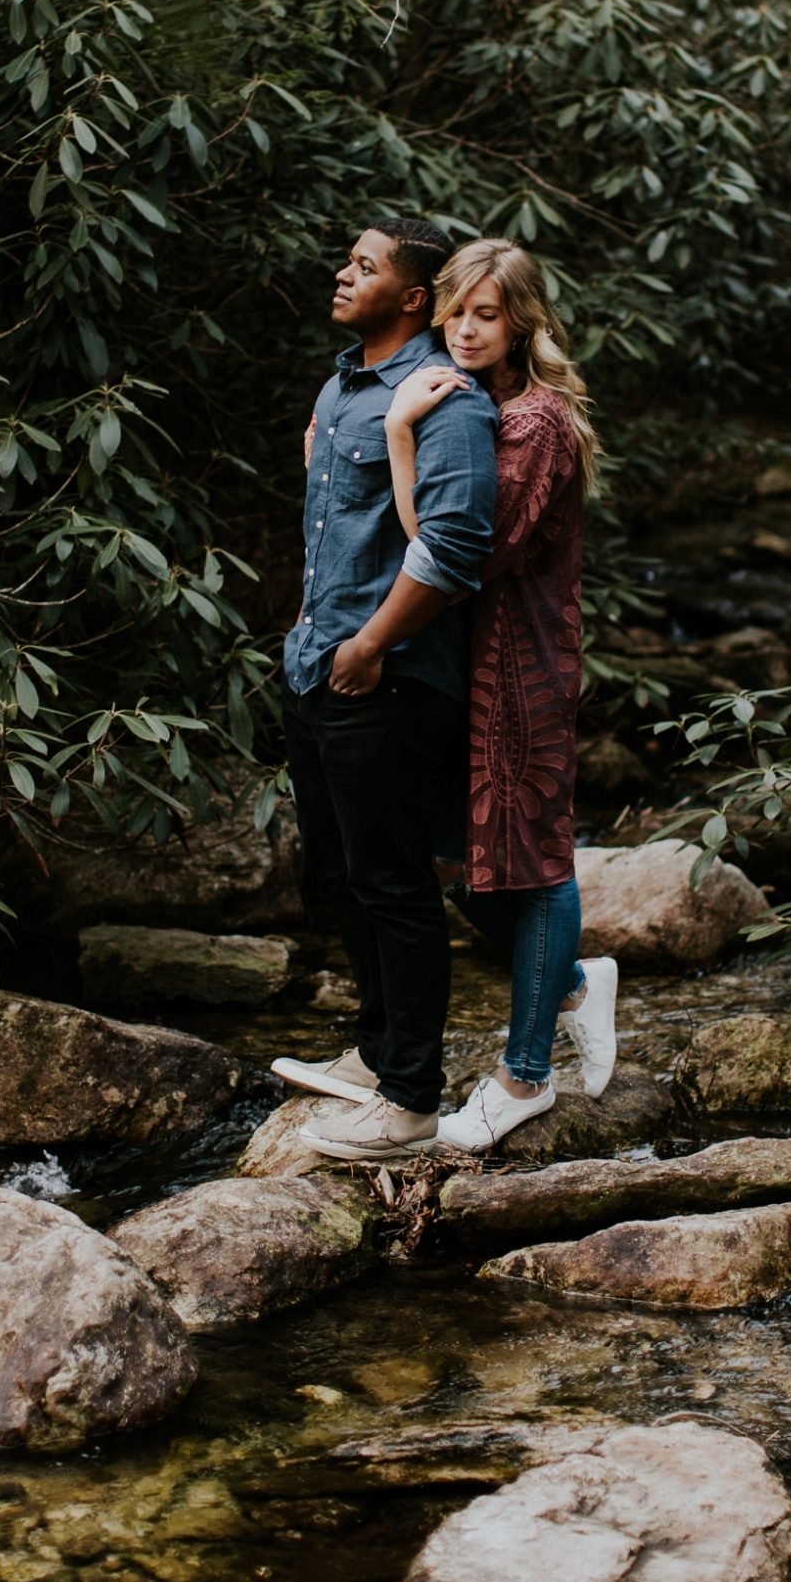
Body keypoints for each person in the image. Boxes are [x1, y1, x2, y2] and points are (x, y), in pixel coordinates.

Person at [271, 218, 500, 1164]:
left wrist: (369, 645)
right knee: (337, 877)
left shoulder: (448, 402)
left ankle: (409, 1102)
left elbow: (453, 549)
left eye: (364, 267)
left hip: (389, 677)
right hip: (317, 665)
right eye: (348, 259)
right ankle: (374, 1057)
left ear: (412, 297)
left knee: (395, 887)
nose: (342, 272)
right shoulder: (343, 383)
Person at [385, 237, 617, 1151]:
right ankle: (567, 983)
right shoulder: (471, 402)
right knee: (450, 858)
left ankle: (524, 1076)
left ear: (522, 322)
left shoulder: (532, 424)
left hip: (520, 667)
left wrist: (401, 436)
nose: (467, 329)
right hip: (458, 669)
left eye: (487, 314)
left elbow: (456, 555)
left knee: (534, 861)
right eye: (456, 310)